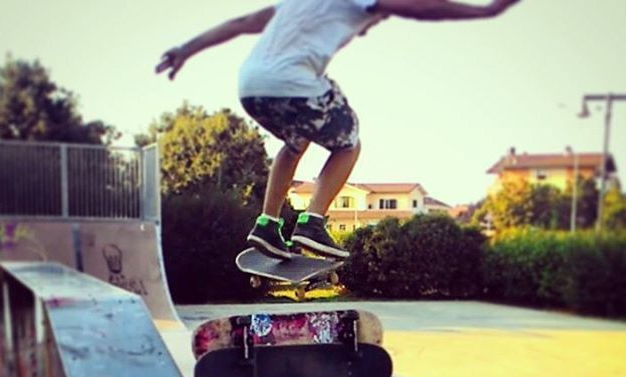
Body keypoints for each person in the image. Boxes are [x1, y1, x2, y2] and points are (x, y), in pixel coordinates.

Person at [157, 0, 522, 260]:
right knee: (349, 142)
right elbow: (421, 7)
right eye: (377, 19)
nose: (372, 25)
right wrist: (484, 10)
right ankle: (311, 222)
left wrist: (185, 49)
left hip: (251, 86)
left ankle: (267, 224)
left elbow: (240, 23)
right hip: (292, 83)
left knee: (295, 142)